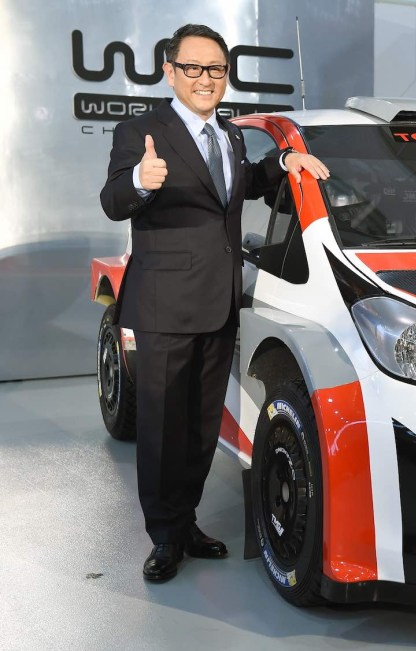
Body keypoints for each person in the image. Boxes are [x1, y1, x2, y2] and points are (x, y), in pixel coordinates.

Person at [99, 24, 329, 582]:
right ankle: (163, 536)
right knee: (160, 431)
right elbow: (112, 200)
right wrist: (139, 180)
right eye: (194, 68)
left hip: (220, 305)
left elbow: (239, 184)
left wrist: (284, 166)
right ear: (169, 71)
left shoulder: (228, 135)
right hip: (164, 307)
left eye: (217, 70)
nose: (207, 80)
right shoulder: (141, 132)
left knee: (203, 428)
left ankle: (186, 519)